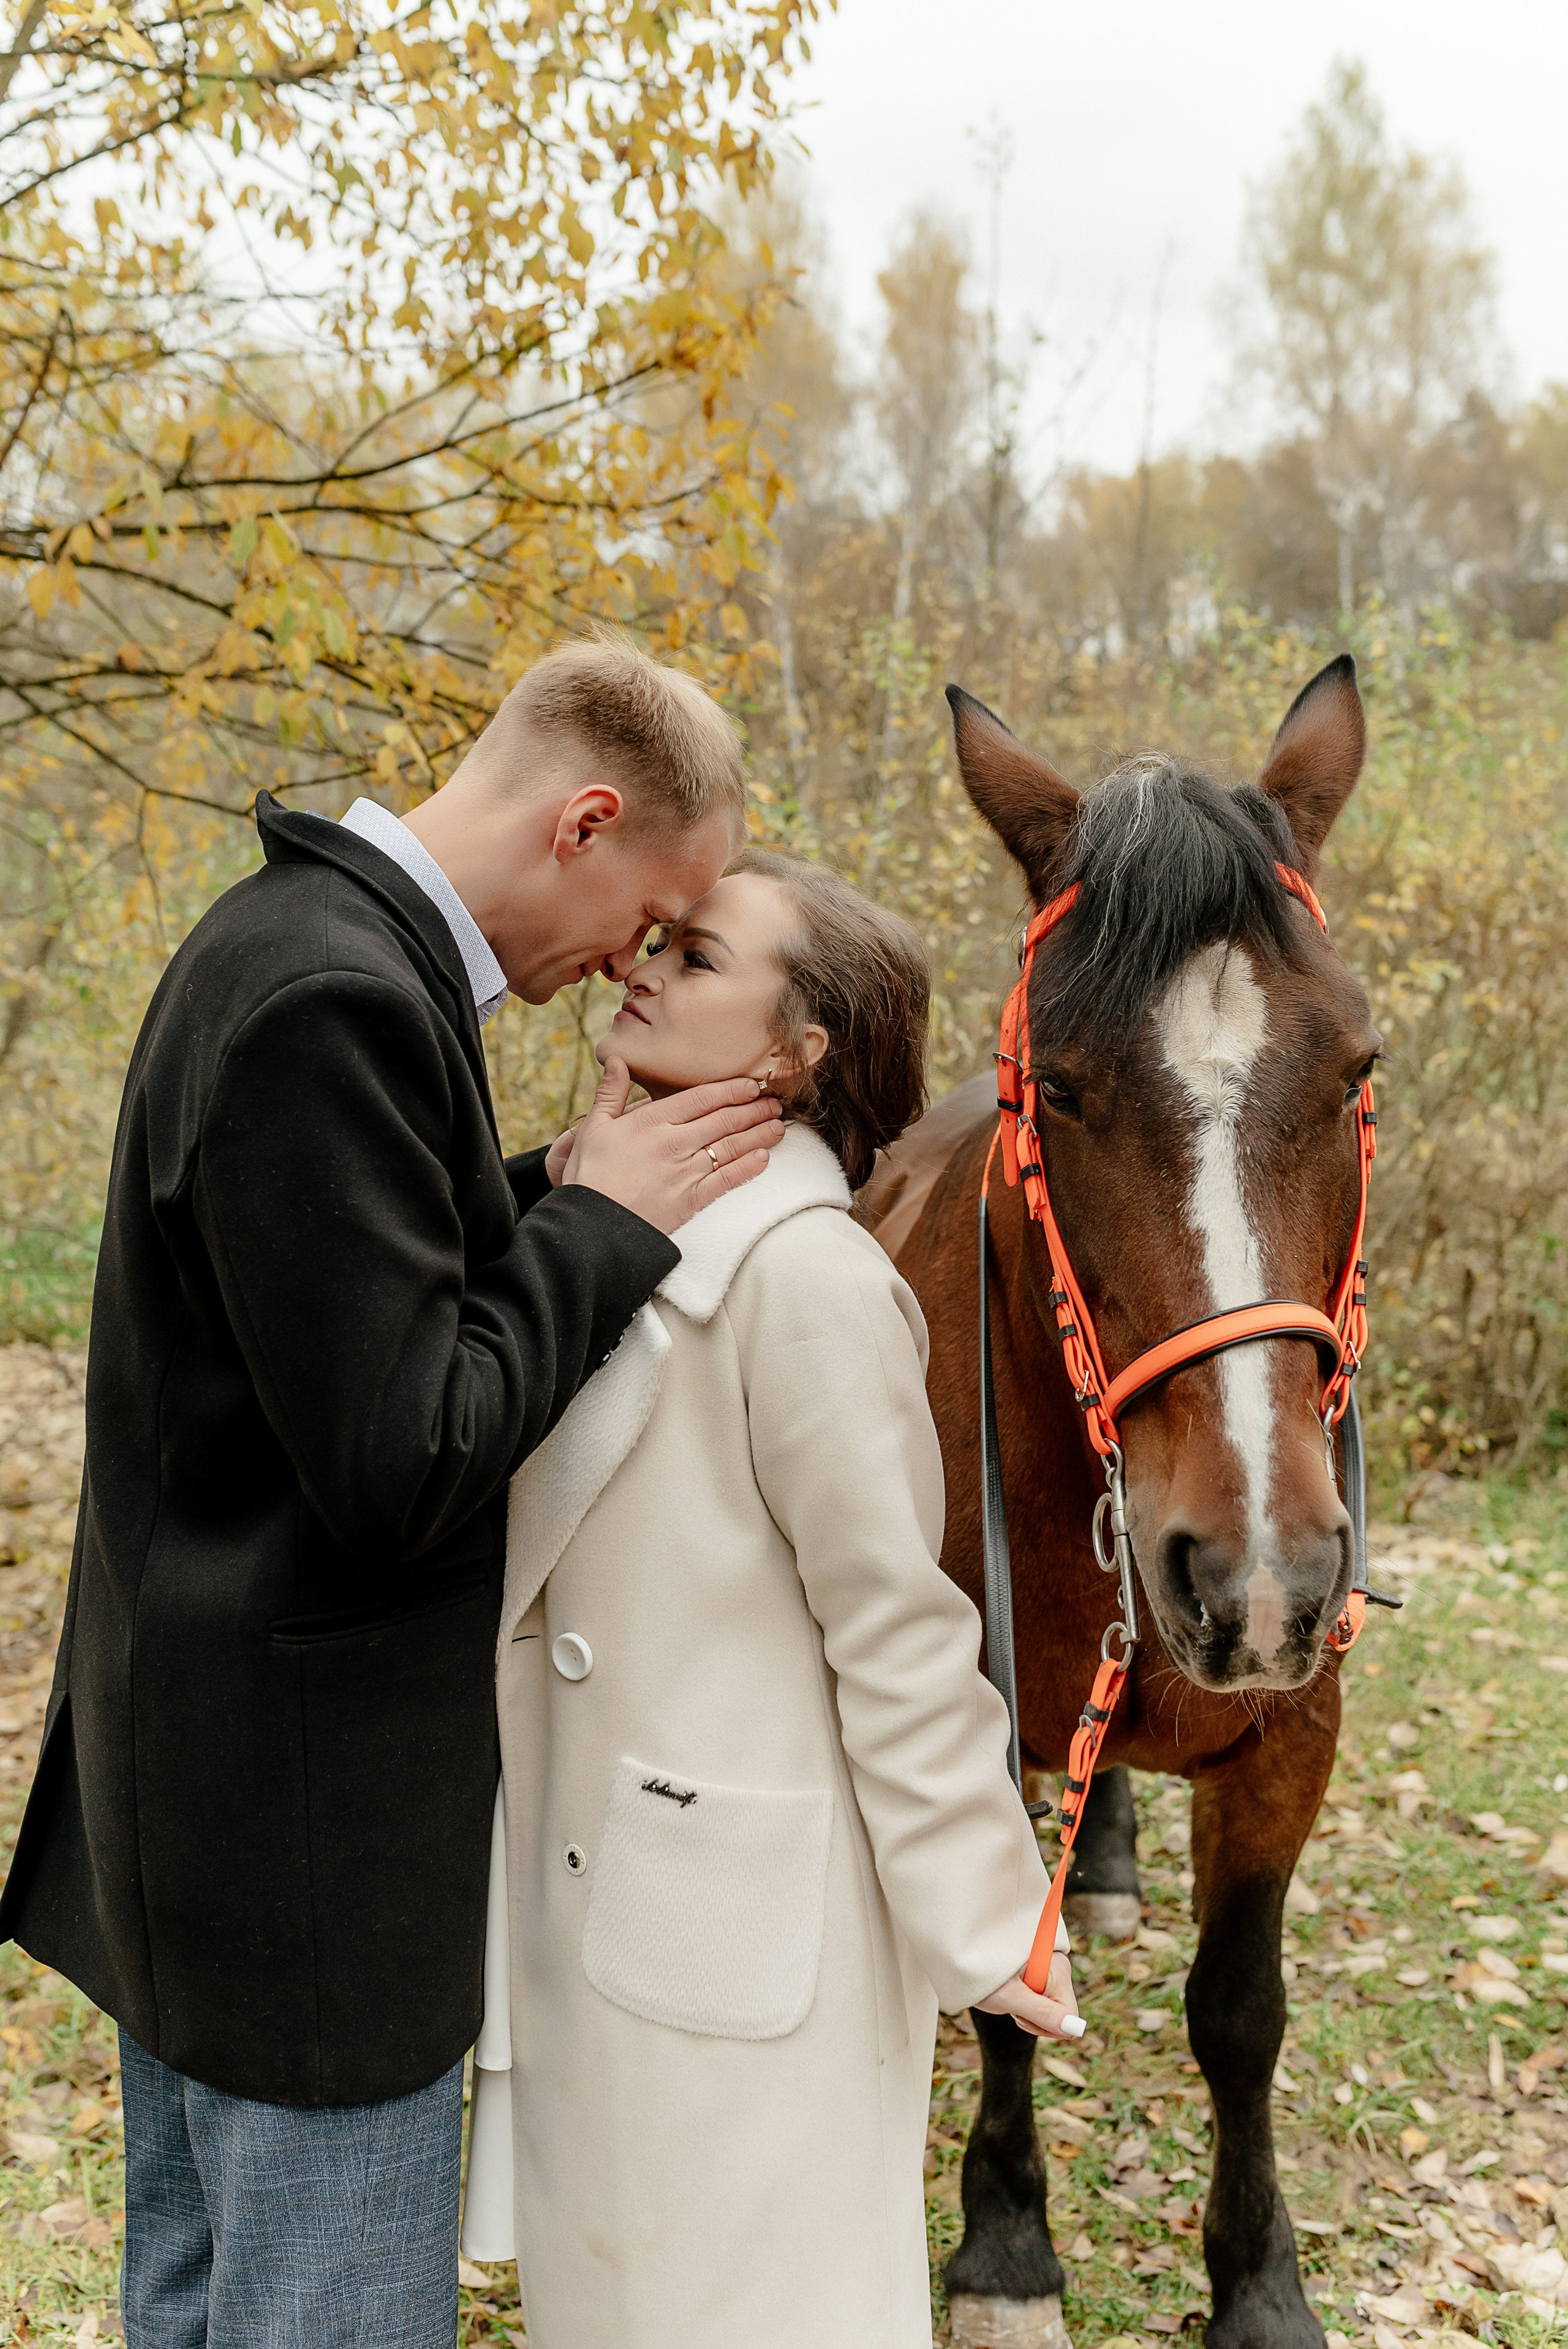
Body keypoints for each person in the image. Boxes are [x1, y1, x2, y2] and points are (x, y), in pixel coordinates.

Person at [0, 635, 787, 2349]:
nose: (624, 971)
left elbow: (317, 1294)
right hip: (303, 1875)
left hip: (205, 1808)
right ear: (586, 819)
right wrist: (608, 1224)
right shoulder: (334, 999)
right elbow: (404, 1454)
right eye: (651, 917)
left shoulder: (284, 938)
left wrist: (546, 1185)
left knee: (203, 2315)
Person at [462, 848, 1080, 2349]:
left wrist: (986, 1911)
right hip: (591, 1896)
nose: (642, 967)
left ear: (800, 1052)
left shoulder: (802, 1278)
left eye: (699, 954)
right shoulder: (608, 1234)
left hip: (734, 1925)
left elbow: (897, 1627)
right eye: (656, 941)